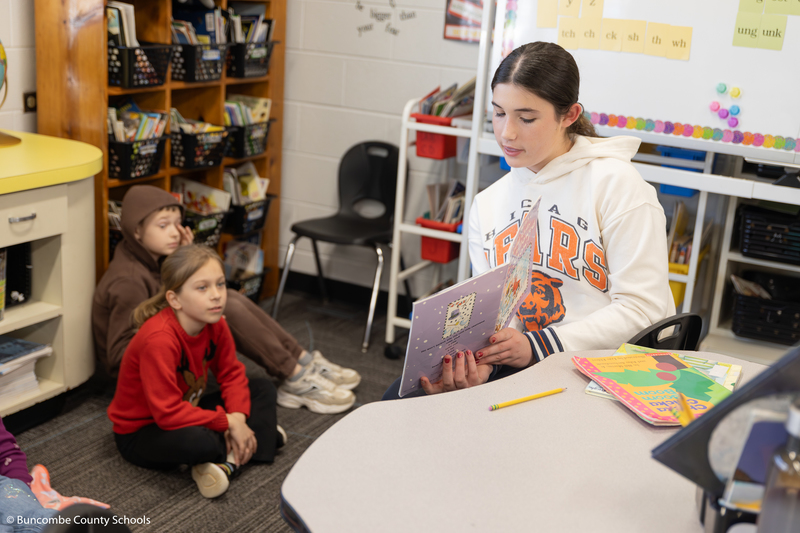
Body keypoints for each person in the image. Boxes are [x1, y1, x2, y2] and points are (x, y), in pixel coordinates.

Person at [384, 41, 674, 399]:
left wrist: (539, 345)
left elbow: (643, 310)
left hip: (600, 370)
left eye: (526, 118)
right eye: (499, 113)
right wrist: (483, 363)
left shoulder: (618, 186)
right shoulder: (486, 204)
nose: (507, 133)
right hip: (526, 360)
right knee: (405, 396)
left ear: (569, 115)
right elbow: (498, 314)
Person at [93, 185, 357, 414]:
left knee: (226, 297)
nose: (175, 232)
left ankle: (301, 359)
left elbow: (180, 297)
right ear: (136, 231)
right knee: (220, 304)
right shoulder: (128, 280)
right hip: (144, 375)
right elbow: (118, 357)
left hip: (169, 350)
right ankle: (293, 375)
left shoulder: (154, 259)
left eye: (177, 223)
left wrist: (185, 257)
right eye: (163, 226)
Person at [107, 245, 283, 499]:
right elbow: (167, 413)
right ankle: (255, 440)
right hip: (143, 431)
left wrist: (238, 420)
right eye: (202, 287)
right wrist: (229, 422)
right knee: (199, 442)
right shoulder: (158, 340)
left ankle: (232, 456)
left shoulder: (215, 322)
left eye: (220, 284)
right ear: (174, 299)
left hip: (187, 407)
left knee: (263, 389)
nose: (216, 296)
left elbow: (232, 374)